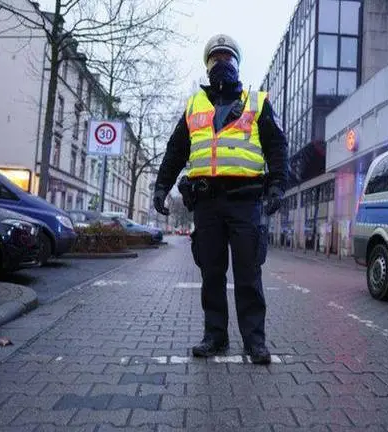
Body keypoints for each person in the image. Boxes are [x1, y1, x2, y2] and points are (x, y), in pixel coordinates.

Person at [153, 34, 289, 364]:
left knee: (248, 275)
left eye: (228, 57)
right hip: (207, 204)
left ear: (237, 64)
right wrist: (161, 187)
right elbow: (175, 152)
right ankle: (215, 337)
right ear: (208, 66)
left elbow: (277, 148)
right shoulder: (194, 107)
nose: (222, 63)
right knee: (211, 274)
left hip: (246, 202)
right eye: (216, 58)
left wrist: (276, 187)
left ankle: (255, 340)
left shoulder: (256, 103)